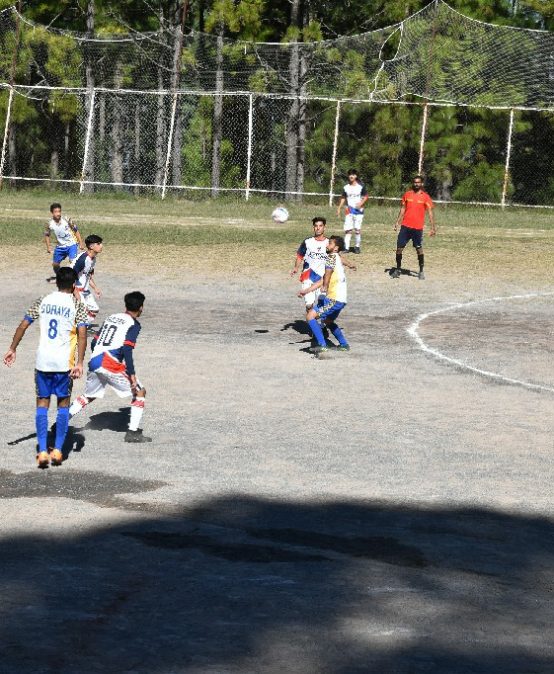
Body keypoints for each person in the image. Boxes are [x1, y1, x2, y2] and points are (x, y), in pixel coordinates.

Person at [3, 267, 88, 467]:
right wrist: (80, 362)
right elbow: (83, 334)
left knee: (42, 404)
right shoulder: (77, 305)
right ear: (73, 285)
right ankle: (57, 450)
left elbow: (23, 325)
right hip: (64, 364)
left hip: (43, 362)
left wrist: (12, 348)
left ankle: (42, 451)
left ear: (56, 282)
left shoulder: (43, 300)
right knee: (63, 405)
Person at [68, 291, 151, 443]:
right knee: (140, 391)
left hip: (95, 360)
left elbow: (95, 342)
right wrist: (131, 374)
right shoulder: (134, 324)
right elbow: (127, 349)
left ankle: (60, 423)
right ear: (141, 307)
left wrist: (99, 360)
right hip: (108, 361)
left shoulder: (111, 317)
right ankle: (132, 433)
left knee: (89, 395)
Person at [298, 235, 353, 355]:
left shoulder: (331, 257)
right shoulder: (336, 257)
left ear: (336, 248)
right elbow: (323, 279)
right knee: (327, 321)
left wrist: (326, 285)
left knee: (310, 316)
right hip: (341, 299)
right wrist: (307, 291)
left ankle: (322, 345)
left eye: (330, 243)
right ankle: (344, 345)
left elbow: (327, 273)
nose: (327, 245)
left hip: (334, 299)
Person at [391, 175, 436, 280]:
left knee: (419, 249)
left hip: (417, 228)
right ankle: (398, 269)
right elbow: (403, 208)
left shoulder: (425, 197)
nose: (416, 184)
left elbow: (430, 213)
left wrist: (433, 227)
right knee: (399, 249)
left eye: (418, 182)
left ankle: (421, 271)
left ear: (421, 184)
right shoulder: (407, 194)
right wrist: (397, 222)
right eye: (415, 182)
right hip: (405, 227)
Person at [290, 217, 329, 316]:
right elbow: (300, 255)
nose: (318, 228)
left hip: (322, 278)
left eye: (320, 226)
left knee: (322, 302)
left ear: (324, 227)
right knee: (309, 305)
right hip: (308, 275)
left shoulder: (329, 243)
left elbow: (335, 257)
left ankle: (319, 322)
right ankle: (312, 322)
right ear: (313, 228)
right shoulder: (308, 242)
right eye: (316, 226)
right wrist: (296, 268)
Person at [44, 202, 84, 282]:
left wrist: (81, 243)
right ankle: (60, 277)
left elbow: (76, 230)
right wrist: (48, 247)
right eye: (56, 212)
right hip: (60, 246)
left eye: (59, 211)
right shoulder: (49, 224)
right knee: (55, 264)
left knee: (73, 262)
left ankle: (75, 278)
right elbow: (47, 235)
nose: (58, 214)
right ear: (52, 213)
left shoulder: (66, 219)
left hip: (71, 244)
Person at [336, 169, 369, 254]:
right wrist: (339, 208)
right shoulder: (346, 187)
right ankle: (346, 248)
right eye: (350, 174)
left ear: (356, 176)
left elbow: (366, 196)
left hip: (359, 211)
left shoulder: (361, 186)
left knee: (357, 229)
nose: (351, 176)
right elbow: (343, 198)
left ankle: (357, 247)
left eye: (353, 174)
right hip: (349, 210)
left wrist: (361, 203)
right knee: (348, 230)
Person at [72, 234, 103, 322]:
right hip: (76, 289)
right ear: (91, 246)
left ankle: (80, 327)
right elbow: (71, 277)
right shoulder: (83, 260)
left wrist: (95, 288)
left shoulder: (93, 259)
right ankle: (77, 328)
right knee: (82, 312)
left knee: (94, 310)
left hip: (84, 290)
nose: (101, 246)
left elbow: (88, 275)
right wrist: (76, 293)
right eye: (98, 243)